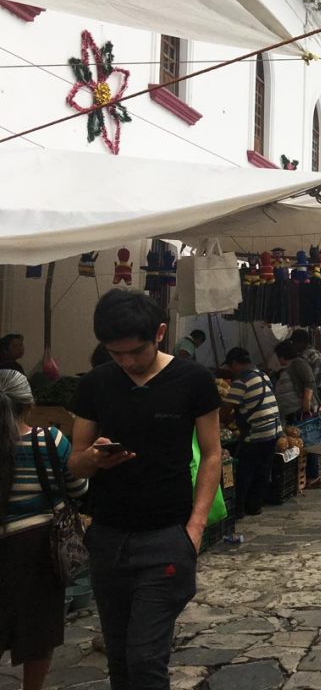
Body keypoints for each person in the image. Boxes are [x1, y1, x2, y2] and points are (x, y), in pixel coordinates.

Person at [69, 289, 221, 690]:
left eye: (136, 351)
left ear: (160, 332)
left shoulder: (193, 380)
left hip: (167, 538)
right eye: (115, 354)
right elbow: (75, 459)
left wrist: (195, 529)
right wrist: (94, 460)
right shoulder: (95, 385)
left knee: (145, 658)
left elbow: (211, 454)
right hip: (108, 538)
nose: (127, 362)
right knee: (119, 658)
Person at [0, 370, 89, 690]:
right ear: (30, 404)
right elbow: (78, 487)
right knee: (37, 629)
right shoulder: (48, 439)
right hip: (37, 547)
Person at [220, 348, 282, 518]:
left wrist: (219, 422)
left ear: (235, 364)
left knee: (245, 471)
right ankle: (255, 506)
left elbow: (226, 410)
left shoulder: (241, 382)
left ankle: (238, 509)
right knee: (263, 470)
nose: (231, 371)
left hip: (257, 433)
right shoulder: (263, 376)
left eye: (231, 367)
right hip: (274, 430)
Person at [290, 329, 321, 490]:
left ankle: (312, 475)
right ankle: (311, 475)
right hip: (315, 401)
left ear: (300, 342)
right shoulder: (317, 354)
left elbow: (313, 383)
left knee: (308, 439)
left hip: (309, 403)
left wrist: (307, 401)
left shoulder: (306, 357)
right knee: (310, 438)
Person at [273, 340, 317, 427]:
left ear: (282, 355)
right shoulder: (288, 368)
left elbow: (309, 381)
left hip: (301, 411)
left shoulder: (298, 363)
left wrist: (306, 402)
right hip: (291, 414)